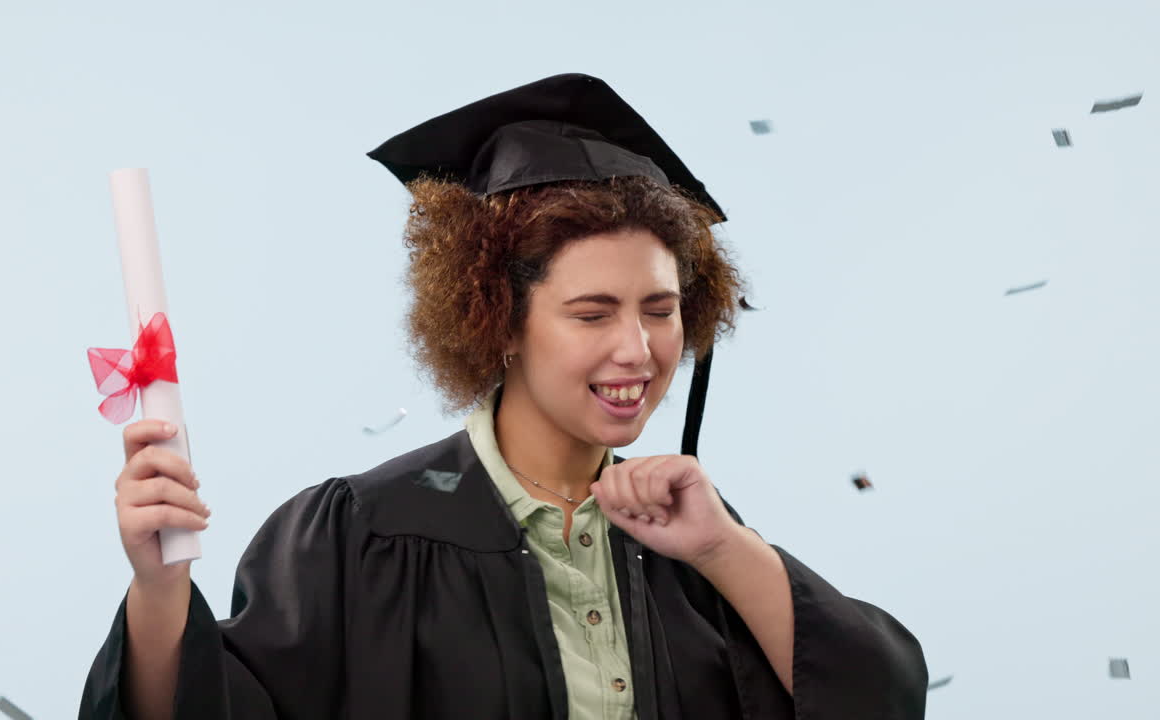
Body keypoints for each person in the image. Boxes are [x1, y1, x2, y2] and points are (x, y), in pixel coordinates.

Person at [79, 73, 928, 720]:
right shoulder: (359, 535)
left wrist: (722, 549)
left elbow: (876, 698)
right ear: (500, 319)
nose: (637, 350)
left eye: (660, 309)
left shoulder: (693, 539)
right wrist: (160, 591)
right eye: (592, 313)